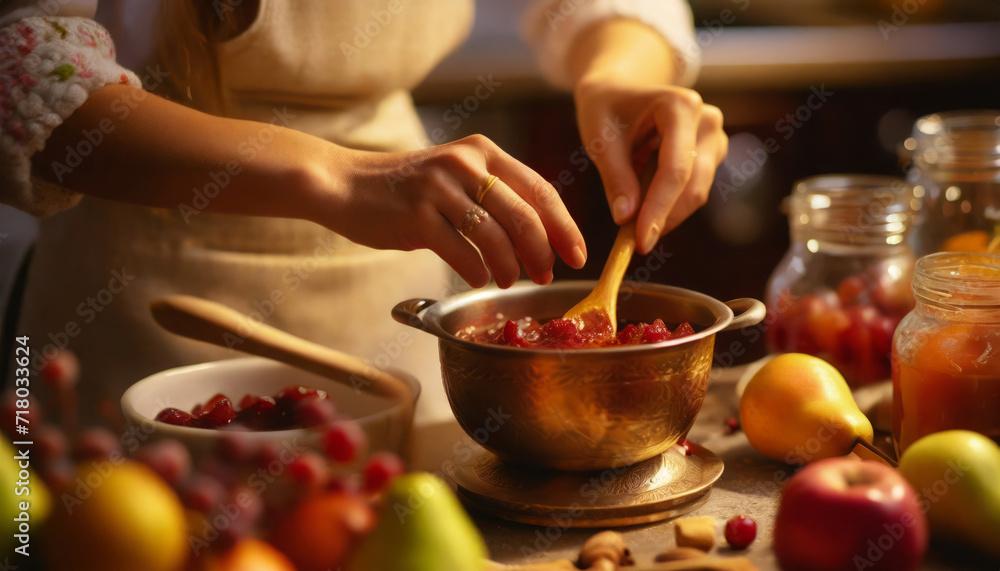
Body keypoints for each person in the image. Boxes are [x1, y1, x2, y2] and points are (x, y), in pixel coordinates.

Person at [0, 0, 727, 425]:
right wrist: (337, 177)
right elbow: (25, 65)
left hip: (390, 290)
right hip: (132, 299)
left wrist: (616, 78)